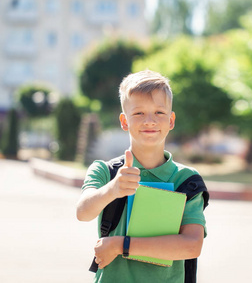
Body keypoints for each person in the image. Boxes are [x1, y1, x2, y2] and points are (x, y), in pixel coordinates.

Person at [76, 70, 207, 283]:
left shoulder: (187, 180)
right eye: (138, 113)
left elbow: (192, 245)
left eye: (159, 113)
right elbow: (83, 212)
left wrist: (121, 245)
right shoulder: (105, 171)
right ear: (124, 121)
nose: (149, 121)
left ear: (171, 120)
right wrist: (114, 189)